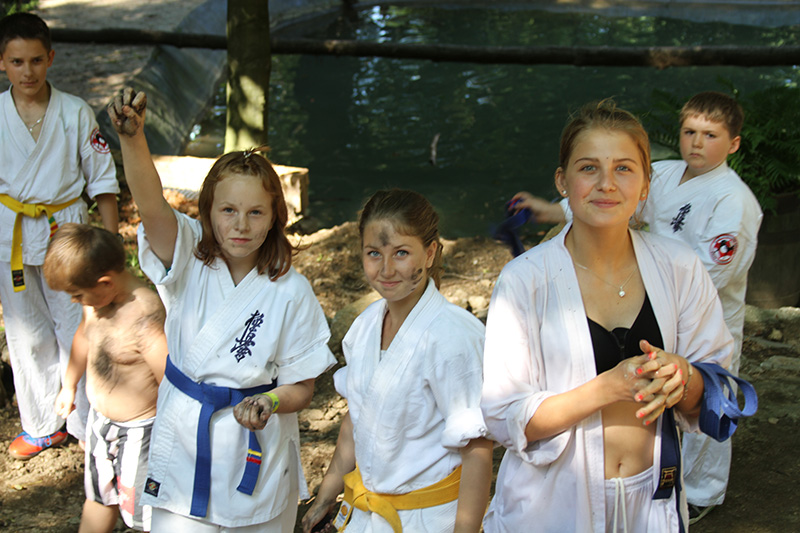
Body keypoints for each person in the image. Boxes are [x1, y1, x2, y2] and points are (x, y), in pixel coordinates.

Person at [481, 101, 735, 532]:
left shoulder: (679, 267)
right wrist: (606, 388)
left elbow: (714, 389)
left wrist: (683, 375)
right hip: (554, 505)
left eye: (623, 169)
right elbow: (504, 417)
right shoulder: (525, 280)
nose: (606, 184)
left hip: (650, 501)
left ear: (646, 185)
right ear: (562, 181)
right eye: (588, 168)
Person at [107, 87, 336, 532]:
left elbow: (302, 386)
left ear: (275, 216)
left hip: (254, 443)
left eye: (256, 213)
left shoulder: (291, 290)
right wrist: (132, 138)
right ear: (208, 210)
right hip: (184, 437)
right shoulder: (187, 255)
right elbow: (150, 204)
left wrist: (269, 400)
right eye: (228, 210)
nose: (240, 225)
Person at [301, 189, 493, 533]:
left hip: (428, 518)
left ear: (430, 253)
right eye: (374, 253)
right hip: (367, 513)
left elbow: (477, 448)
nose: (387, 269)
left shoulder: (454, 336)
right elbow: (356, 418)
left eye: (401, 253)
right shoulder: (365, 327)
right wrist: (327, 493)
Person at [0, 12, 120, 459]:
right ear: (1, 63)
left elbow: (102, 180)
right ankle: (42, 424)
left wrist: (111, 247)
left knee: (77, 327)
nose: (27, 72)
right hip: (10, 232)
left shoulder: (75, 112)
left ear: (50, 58)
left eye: (35, 60)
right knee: (26, 332)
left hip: (66, 229)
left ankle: (89, 421)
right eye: (17, 62)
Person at [44, 223, 167, 532]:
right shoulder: (96, 303)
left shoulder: (145, 316)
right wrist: (69, 385)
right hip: (100, 424)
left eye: (77, 295)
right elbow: (83, 338)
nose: (75, 301)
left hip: (140, 432)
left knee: (145, 513)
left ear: (105, 283)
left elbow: (169, 380)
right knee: (100, 495)